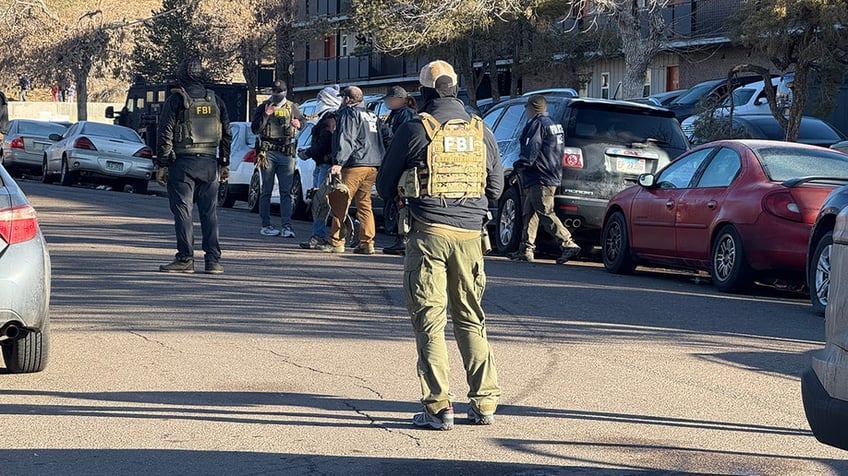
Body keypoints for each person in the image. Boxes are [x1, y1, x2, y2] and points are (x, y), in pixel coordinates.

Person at [376, 60, 504, 431]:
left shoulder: (418, 128)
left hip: (428, 231)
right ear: (456, 89)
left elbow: (384, 186)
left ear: (426, 92)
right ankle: (485, 403)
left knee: (429, 319)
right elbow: (494, 188)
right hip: (471, 236)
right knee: (471, 317)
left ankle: (438, 406)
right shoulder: (482, 131)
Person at [156, 57, 232, 274]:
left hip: (183, 164)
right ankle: (213, 261)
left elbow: (165, 133)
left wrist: (162, 164)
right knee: (210, 213)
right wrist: (224, 162)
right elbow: (227, 132)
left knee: (183, 211)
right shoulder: (215, 100)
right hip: (210, 163)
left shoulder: (176, 99)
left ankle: (185, 258)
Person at [508, 94, 582, 264]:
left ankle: (567, 242)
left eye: (527, 108)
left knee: (545, 212)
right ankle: (525, 249)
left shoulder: (537, 124)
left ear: (532, 108)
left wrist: (520, 166)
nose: (526, 111)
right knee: (530, 213)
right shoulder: (554, 125)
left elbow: (532, 149)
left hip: (540, 175)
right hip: (551, 173)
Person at [321, 86, 387, 255]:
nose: (342, 100)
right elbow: (386, 135)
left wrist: (339, 162)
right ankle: (367, 242)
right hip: (373, 164)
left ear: (348, 99)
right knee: (365, 204)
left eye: (343, 97)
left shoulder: (349, 113)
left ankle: (336, 241)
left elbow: (347, 137)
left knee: (340, 201)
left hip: (354, 163)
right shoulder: (372, 114)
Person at [251, 80, 306, 238]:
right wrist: (266, 116)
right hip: (268, 153)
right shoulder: (264, 106)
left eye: (280, 92)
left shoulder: (291, 107)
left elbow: (304, 122)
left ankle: (286, 226)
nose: (277, 94)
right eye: (275, 92)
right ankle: (266, 224)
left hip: (286, 153)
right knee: (266, 190)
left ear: (285, 91)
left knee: (286, 192)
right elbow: (255, 129)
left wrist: (299, 124)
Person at [298, 85, 342, 249]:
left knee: (321, 201)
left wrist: (308, 153)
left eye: (320, 100)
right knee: (325, 201)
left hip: (326, 165)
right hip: (324, 164)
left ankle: (319, 235)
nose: (318, 103)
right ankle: (325, 235)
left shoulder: (329, 120)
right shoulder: (330, 118)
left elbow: (324, 143)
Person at [381, 85, 418, 256]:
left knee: (402, 202)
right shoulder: (396, 114)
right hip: (396, 160)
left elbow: (400, 140)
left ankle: (402, 239)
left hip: (402, 163)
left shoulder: (406, 115)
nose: (388, 103)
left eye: (390, 99)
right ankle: (400, 238)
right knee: (397, 202)